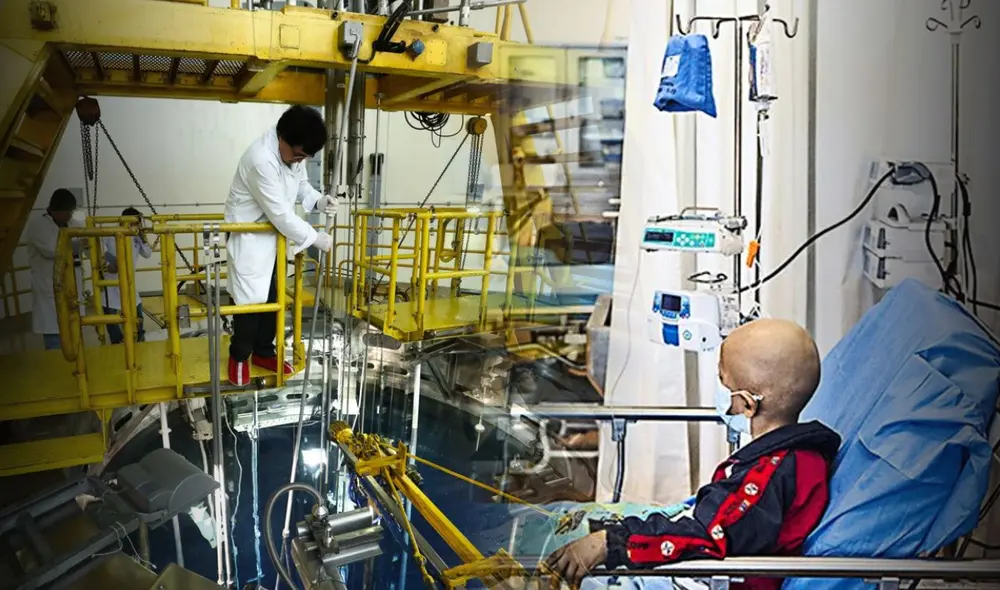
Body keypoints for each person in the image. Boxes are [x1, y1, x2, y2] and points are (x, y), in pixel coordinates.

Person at [543, 319, 841, 589]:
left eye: (722, 380)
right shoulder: (795, 457)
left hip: (721, 578)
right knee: (561, 525)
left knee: (556, 558)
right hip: (715, 561)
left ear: (748, 405)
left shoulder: (771, 474)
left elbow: (707, 534)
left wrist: (611, 543)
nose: (718, 388)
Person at [225, 105, 336, 386]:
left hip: (274, 238)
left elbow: (301, 186)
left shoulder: (293, 153)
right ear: (282, 137)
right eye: (298, 155)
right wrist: (314, 237)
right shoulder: (260, 160)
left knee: (273, 296)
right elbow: (281, 215)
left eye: (305, 157)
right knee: (250, 302)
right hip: (249, 238)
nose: (300, 161)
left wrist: (318, 200)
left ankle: (264, 352)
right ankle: (239, 357)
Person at [26, 189, 82, 351]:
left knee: (75, 334)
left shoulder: (73, 223)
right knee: (55, 338)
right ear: (56, 210)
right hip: (49, 287)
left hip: (72, 288)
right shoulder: (38, 224)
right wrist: (79, 244)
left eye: (72, 211)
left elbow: (86, 239)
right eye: (68, 212)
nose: (70, 215)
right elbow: (52, 250)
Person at [101, 207, 154, 344]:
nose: (137, 226)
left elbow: (147, 254)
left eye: (138, 223)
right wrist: (108, 263)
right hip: (111, 282)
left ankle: (139, 339)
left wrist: (143, 237)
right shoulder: (109, 233)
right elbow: (97, 251)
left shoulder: (136, 237)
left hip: (130, 282)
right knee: (111, 317)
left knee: (137, 315)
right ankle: (117, 343)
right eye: (135, 223)